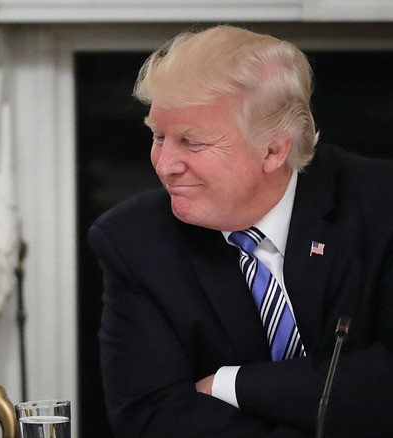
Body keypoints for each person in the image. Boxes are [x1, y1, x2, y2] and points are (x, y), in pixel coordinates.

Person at [89, 25, 393, 437]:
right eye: (159, 137)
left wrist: (230, 384)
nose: (164, 165)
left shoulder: (380, 205)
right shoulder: (133, 240)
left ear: (274, 150)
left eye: (191, 143)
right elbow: (151, 414)